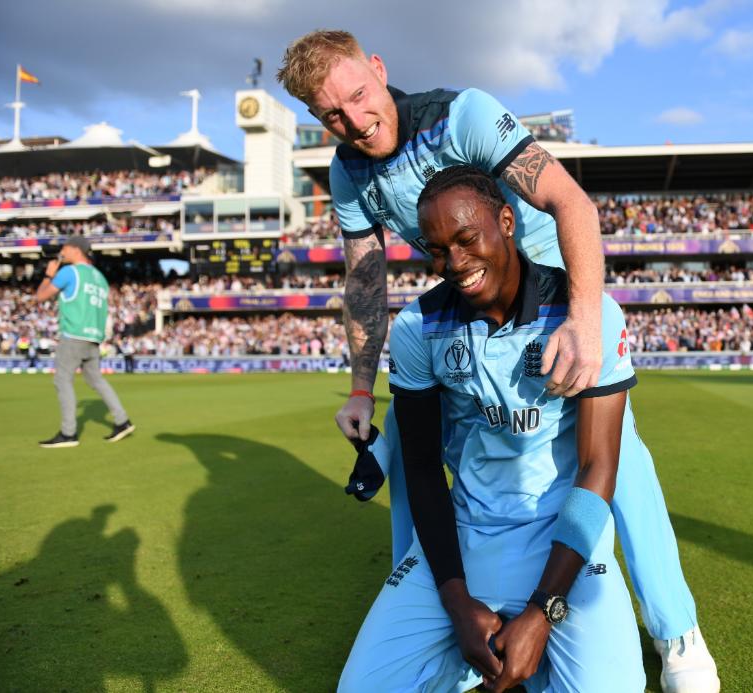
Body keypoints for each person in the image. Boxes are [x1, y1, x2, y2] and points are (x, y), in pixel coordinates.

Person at [278, 31, 718, 691]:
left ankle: (675, 628)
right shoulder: (347, 171)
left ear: (379, 68)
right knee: (408, 442)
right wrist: (361, 389)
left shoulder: (464, 116)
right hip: (467, 313)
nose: (355, 121)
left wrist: (584, 322)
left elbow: (570, 202)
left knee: (614, 453)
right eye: (331, 115)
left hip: (552, 307)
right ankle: (438, 606)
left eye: (359, 96)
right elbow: (365, 277)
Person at [339, 166, 645, 692]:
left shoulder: (590, 314)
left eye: (466, 238)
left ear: (506, 221)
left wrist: (543, 611)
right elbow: (422, 470)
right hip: (465, 536)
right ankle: (470, 656)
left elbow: (598, 467)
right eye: (437, 250)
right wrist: (457, 602)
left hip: (565, 542)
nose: (454, 263)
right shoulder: (417, 326)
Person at [35, 236, 134, 447]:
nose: (62, 253)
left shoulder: (69, 272)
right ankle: (122, 420)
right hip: (93, 335)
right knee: (96, 380)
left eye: (64, 248)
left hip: (74, 334)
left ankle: (68, 433)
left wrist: (48, 275)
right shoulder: (100, 277)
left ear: (76, 249)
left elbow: (41, 297)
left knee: (62, 380)